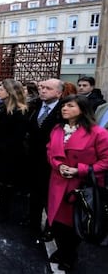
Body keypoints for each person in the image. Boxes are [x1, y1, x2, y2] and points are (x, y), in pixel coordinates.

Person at [47, 94, 108, 271]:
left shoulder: (98, 133)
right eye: (64, 106)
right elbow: (50, 151)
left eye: (70, 106)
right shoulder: (57, 129)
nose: (64, 108)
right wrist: (58, 165)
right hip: (57, 182)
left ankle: (69, 255)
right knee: (56, 223)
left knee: (74, 226)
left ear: (82, 109)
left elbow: (105, 161)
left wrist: (78, 170)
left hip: (80, 187)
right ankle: (61, 250)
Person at [26, 78, 63, 242]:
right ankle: (32, 222)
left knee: (51, 197)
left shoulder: (63, 111)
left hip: (52, 162)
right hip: (33, 158)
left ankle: (51, 228)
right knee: (34, 193)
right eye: (42, 87)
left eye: (48, 88)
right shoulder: (35, 106)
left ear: (59, 93)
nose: (43, 90)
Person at [0, 79, 29, 222]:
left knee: (6, 185)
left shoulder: (20, 112)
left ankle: (4, 212)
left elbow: (16, 138)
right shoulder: (3, 107)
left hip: (10, 155)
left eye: (2, 89)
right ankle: (1, 208)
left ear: (10, 92)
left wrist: (0, 148)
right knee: (0, 183)